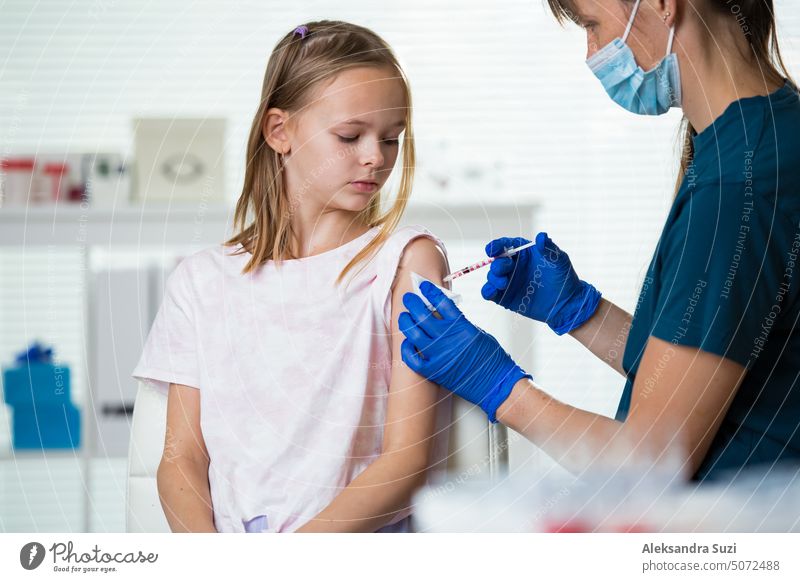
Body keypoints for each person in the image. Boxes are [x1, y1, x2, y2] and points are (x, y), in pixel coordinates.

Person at [399, 0, 800, 483]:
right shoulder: (771, 133)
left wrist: (498, 387)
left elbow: (650, 463)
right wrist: (579, 311)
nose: (591, 51)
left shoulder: (736, 186)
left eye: (590, 24)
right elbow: (703, 373)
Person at [133, 20, 452, 533]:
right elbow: (181, 460)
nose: (376, 157)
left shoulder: (406, 263)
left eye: (391, 139)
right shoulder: (201, 282)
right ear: (280, 132)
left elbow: (406, 462)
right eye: (350, 136)